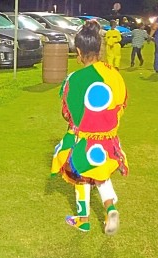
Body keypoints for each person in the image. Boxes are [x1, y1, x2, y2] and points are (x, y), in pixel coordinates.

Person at [51, 20, 128, 236]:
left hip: (83, 139)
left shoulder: (74, 79)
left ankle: (83, 220)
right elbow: (121, 105)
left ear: (78, 51)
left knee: (81, 176)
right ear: (99, 47)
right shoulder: (114, 74)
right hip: (108, 139)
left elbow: (68, 113)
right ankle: (110, 208)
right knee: (101, 174)